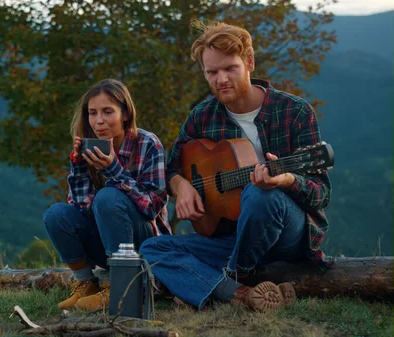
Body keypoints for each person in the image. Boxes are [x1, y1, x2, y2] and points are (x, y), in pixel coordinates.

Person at [140, 21, 332, 313]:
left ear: (250, 63)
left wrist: (285, 180)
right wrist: (181, 186)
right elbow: (171, 168)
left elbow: (321, 194)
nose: (221, 79)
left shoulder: (294, 112)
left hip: (286, 236)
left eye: (230, 68)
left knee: (260, 195)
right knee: (152, 249)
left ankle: (226, 278)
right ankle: (242, 294)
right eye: (212, 72)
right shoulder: (203, 116)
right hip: (230, 238)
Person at [43, 78, 172, 310]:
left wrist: (113, 169)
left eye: (107, 111)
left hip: (146, 244)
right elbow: (82, 209)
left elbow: (152, 207)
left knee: (108, 196)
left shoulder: (148, 144)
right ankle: (86, 284)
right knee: (56, 214)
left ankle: (121, 289)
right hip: (108, 243)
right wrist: (80, 167)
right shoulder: (92, 146)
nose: (99, 121)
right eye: (93, 113)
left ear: (125, 114)